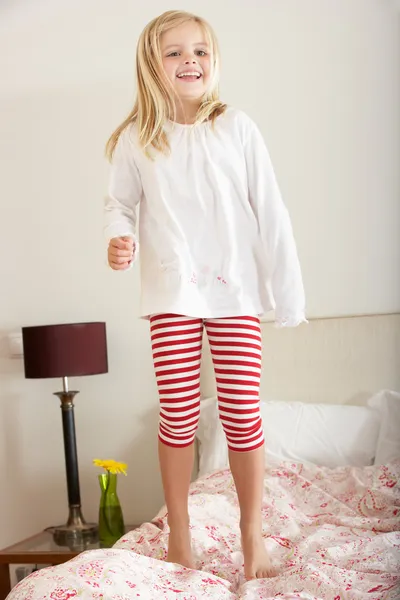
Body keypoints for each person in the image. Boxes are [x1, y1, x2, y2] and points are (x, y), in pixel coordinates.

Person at [104, 10, 306, 580]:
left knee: (243, 414)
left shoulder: (236, 127)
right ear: (152, 64)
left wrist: (286, 295)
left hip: (235, 295)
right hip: (171, 292)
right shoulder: (135, 140)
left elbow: (272, 212)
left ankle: (251, 535)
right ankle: (180, 533)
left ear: (214, 62)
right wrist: (118, 240)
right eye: (173, 52)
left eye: (199, 51)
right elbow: (117, 205)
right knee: (179, 415)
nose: (188, 60)